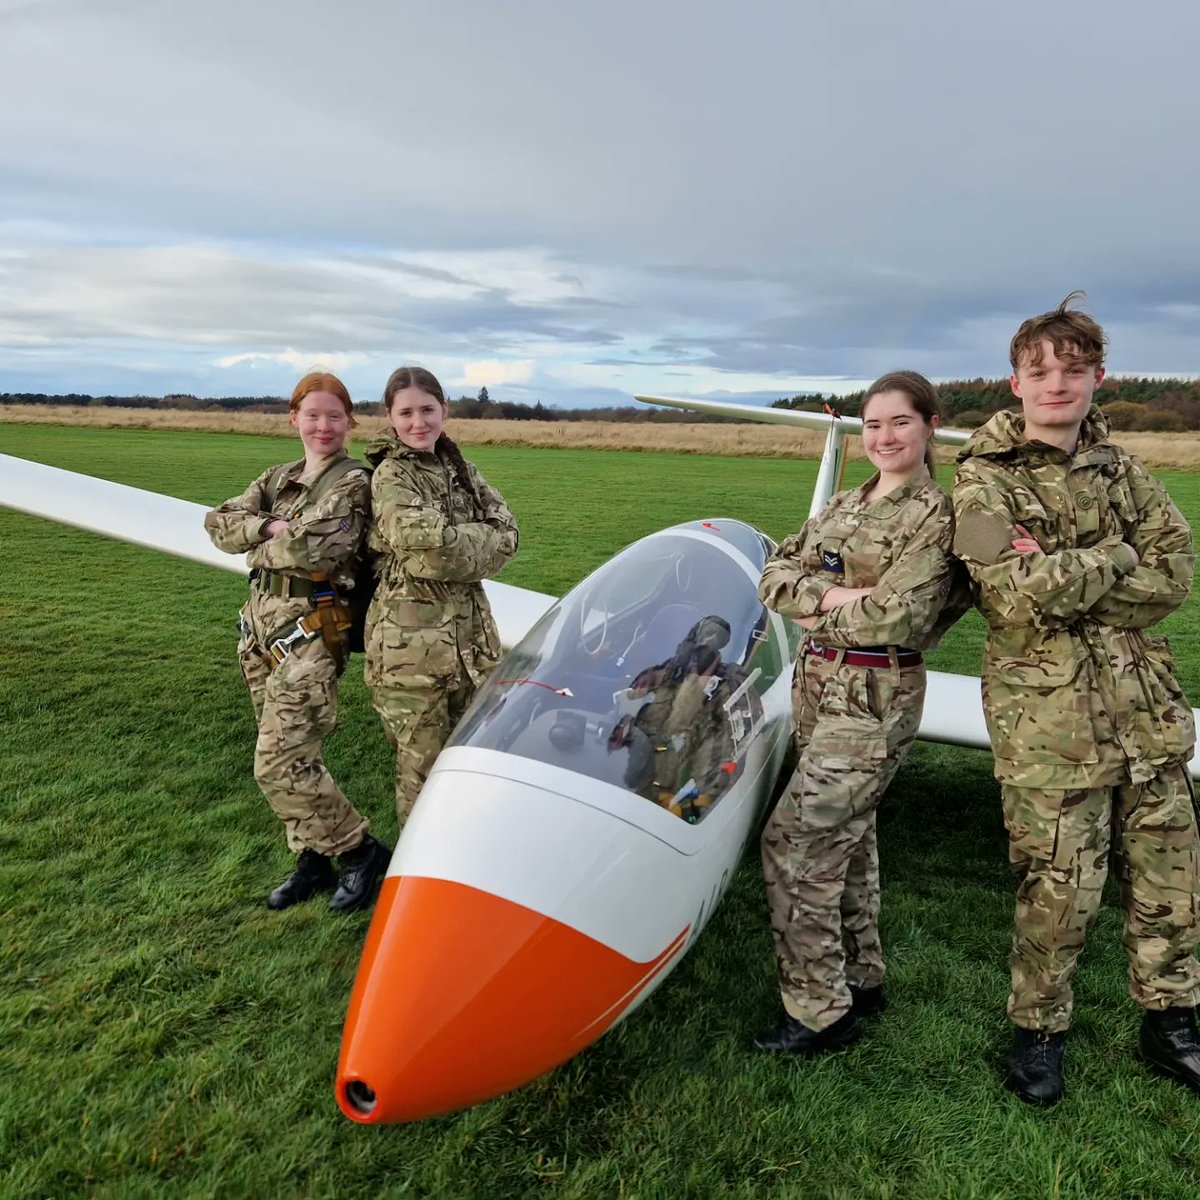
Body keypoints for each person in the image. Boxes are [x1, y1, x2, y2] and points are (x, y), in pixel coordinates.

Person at [953, 293, 1200, 1106]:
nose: (1056, 383)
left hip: (1146, 716)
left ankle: (1172, 1026)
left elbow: (1175, 578)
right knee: (1058, 889)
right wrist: (1120, 550)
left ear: (1100, 377)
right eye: (1039, 370)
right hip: (1047, 726)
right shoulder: (983, 481)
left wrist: (1079, 569)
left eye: (1073, 368)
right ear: (1016, 383)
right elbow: (1015, 598)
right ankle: (1040, 1034)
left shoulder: (1125, 470)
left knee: (1172, 882)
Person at [755, 370, 964, 1056]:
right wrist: (844, 596)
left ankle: (820, 1013)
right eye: (872, 424)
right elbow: (771, 574)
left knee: (797, 842)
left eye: (899, 422)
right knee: (851, 833)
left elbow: (902, 616)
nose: (884, 437)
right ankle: (861, 975)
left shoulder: (937, 514)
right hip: (817, 687)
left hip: (875, 695)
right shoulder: (846, 503)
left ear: (928, 425)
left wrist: (819, 600)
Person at [204, 371, 391, 914]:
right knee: (297, 756)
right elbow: (218, 523)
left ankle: (359, 852)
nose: (323, 425)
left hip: (311, 631)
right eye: (312, 414)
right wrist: (267, 531)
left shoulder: (354, 481)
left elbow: (317, 551)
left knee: (277, 760)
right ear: (295, 419)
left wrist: (258, 534)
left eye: (335, 415)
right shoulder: (279, 476)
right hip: (260, 630)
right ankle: (311, 859)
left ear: (349, 421)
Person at [362, 366, 518, 825]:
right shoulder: (392, 475)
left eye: (427, 409)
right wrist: (478, 541)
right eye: (406, 412)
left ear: (444, 410)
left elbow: (510, 534)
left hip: (473, 646)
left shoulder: (460, 469)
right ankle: (419, 874)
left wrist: (461, 540)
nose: (418, 422)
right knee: (424, 776)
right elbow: (431, 555)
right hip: (411, 655)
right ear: (390, 416)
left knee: (477, 761)